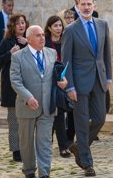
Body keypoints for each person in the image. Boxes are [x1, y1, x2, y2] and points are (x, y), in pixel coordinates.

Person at [61, 0, 112, 177]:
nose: (86, 7)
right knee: (81, 124)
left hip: (99, 80)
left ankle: (78, 146)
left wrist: (108, 78)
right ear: (78, 5)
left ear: (94, 5)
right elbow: (66, 62)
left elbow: (106, 53)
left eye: (89, 4)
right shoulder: (71, 30)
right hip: (79, 85)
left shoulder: (102, 24)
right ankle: (87, 163)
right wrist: (70, 87)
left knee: (100, 119)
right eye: (83, 4)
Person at [10, 25, 68, 178]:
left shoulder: (52, 52)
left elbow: (56, 74)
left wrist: (62, 81)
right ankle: (29, 171)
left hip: (48, 106)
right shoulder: (18, 57)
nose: (42, 37)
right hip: (27, 106)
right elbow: (15, 81)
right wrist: (28, 97)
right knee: (27, 143)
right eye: (38, 35)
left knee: (45, 142)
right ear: (29, 39)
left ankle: (44, 173)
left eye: (43, 34)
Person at [0, 13, 29, 162]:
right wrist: (10, 53)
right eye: (18, 23)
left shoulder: (31, 40)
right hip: (11, 85)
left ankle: (27, 147)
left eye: (23, 22)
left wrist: (28, 43)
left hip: (28, 84)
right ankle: (16, 150)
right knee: (14, 120)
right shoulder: (6, 42)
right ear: (13, 26)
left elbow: (40, 55)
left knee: (27, 119)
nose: (21, 25)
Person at [44, 15, 72, 158]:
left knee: (60, 114)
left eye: (60, 25)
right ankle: (53, 145)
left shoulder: (66, 41)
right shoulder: (45, 43)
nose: (58, 28)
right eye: (55, 25)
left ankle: (62, 146)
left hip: (65, 82)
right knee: (53, 114)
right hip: (49, 83)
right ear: (49, 28)